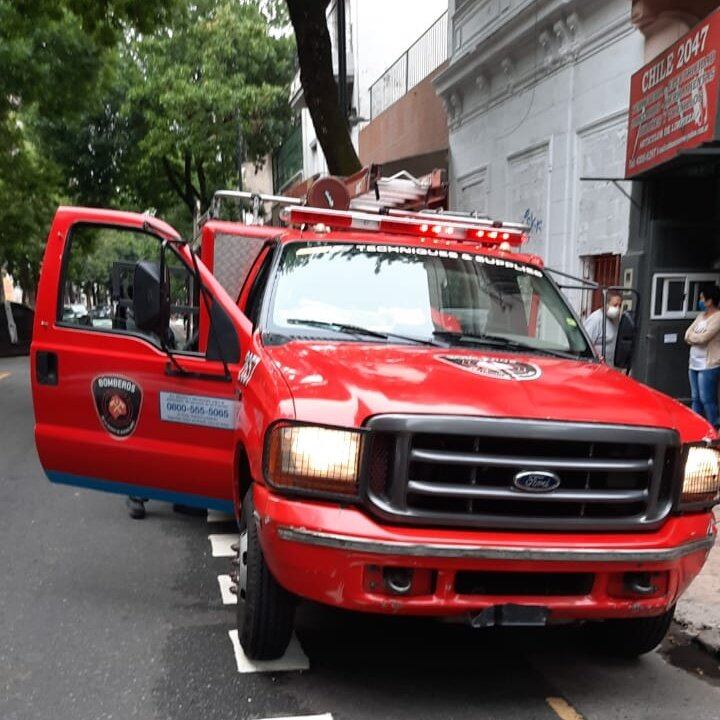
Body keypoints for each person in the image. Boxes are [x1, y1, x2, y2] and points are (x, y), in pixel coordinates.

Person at [685, 284, 720, 427]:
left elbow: (704, 338)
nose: (700, 301)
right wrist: (694, 337)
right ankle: (696, 427)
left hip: (708, 364)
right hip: (694, 363)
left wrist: (693, 337)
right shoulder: (701, 316)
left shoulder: (718, 317)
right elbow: (687, 334)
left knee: (707, 399)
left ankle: (713, 427)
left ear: (709, 300)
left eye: (702, 298)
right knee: (695, 398)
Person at [583, 291, 623, 364]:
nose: (617, 308)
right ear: (605, 304)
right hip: (595, 365)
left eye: (619, 306)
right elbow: (585, 344)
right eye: (615, 305)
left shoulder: (615, 319)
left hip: (608, 365)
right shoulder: (595, 319)